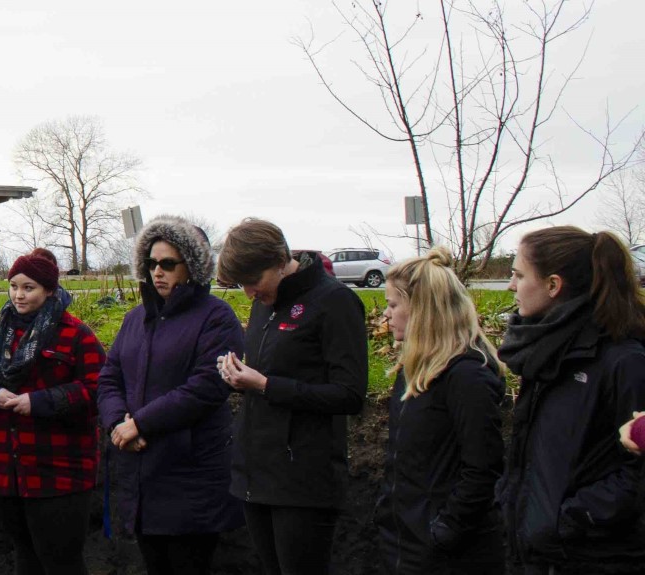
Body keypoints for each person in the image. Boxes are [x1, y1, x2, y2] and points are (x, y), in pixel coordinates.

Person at [213, 218, 367, 575]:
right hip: (256, 474)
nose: (250, 292)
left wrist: (266, 385)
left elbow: (349, 395)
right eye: (242, 285)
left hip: (304, 482)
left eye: (254, 282)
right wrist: (238, 378)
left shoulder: (335, 302)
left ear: (280, 260)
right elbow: (271, 373)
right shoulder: (264, 302)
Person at [97, 216, 243, 575]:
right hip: (142, 475)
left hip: (190, 475)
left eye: (167, 263)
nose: (157, 271)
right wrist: (118, 423)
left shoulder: (216, 317)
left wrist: (140, 424)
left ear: (191, 266)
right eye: (151, 263)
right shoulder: (136, 318)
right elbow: (109, 376)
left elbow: (208, 386)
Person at [497, 226, 645, 574]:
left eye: (519, 275)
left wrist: (567, 520)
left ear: (553, 285)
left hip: (593, 558)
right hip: (535, 554)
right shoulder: (544, 353)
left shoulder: (624, 362)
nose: (511, 286)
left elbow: (637, 473)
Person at [0, 249, 104, 575]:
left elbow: (98, 391)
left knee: (62, 562)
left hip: (60, 472)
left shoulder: (76, 335)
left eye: (28, 287)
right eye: (14, 286)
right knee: (25, 557)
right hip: (2, 471)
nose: (19, 294)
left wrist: (41, 402)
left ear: (49, 290)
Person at [374, 248, 506, 575]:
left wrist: (445, 531)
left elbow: (483, 467)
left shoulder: (467, 377)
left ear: (422, 309)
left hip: (449, 555)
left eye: (393, 305)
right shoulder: (414, 371)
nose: (385, 317)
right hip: (405, 543)